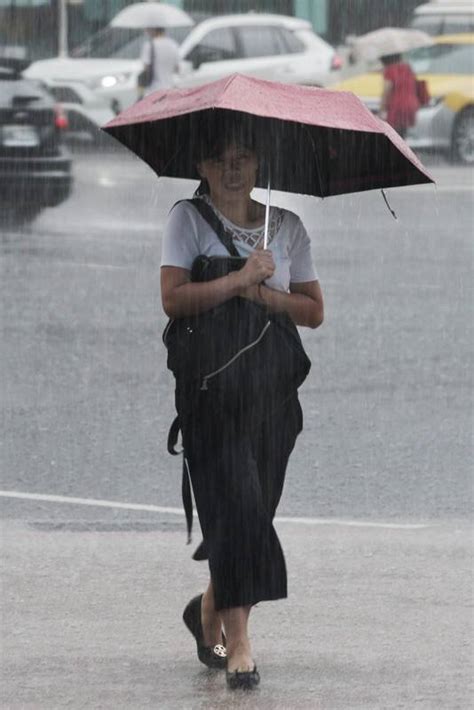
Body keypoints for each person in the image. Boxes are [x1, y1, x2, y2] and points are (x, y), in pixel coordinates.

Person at [160, 119, 324, 690]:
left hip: (273, 398)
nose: (233, 168)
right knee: (235, 512)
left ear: (260, 166)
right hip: (210, 397)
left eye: (244, 157)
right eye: (220, 159)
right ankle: (240, 646)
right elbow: (174, 299)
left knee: (255, 514)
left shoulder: (288, 227)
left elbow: (314, 311)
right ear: (202, 168)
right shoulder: (188, 219)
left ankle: (206, 613)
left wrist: (264, 291)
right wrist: (236, 282)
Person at [379, 53, 420, 138]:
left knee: (393, 136)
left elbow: (387, 90)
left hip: (397, 106)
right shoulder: (408, 68)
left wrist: (382, 109)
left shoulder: (390, 70)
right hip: (410, 105)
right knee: (402, 134)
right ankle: (402, 149)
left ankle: (395, 150)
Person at [139, 27, 180, 94]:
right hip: (170, 88)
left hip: (154, 89)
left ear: (153, 30)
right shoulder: (173, 45)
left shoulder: (149, 45)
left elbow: (146, 67)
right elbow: (177, 69)